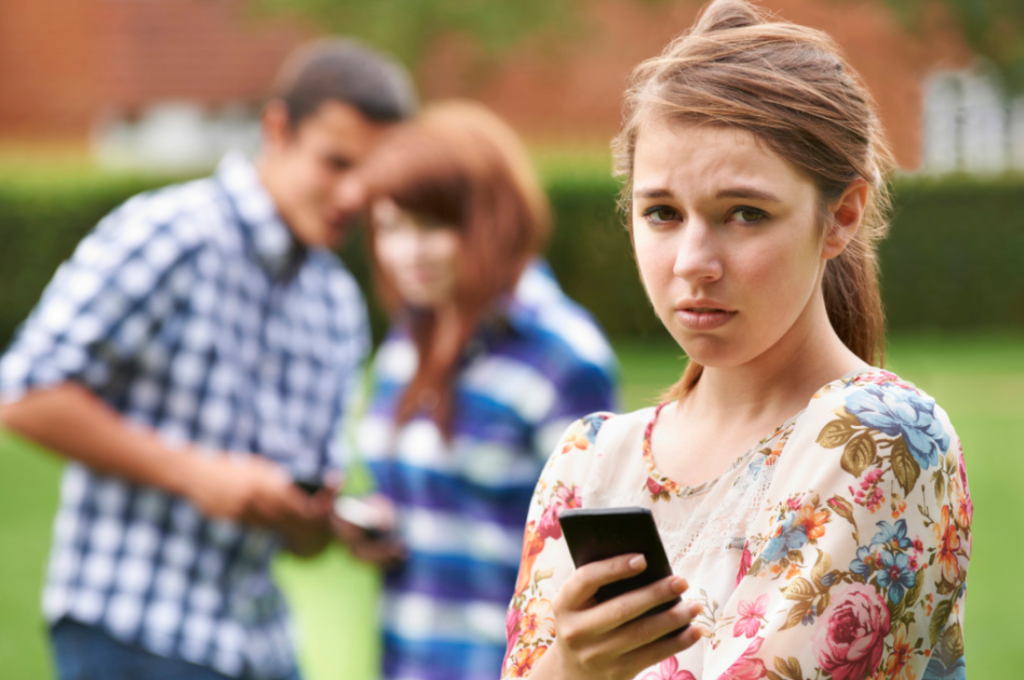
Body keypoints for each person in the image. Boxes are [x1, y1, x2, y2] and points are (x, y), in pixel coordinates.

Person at [501, 1, 971, 679]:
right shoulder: (588, 465)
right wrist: (572, 666)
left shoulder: (877, 436)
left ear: (841, 216)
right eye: (661, 212)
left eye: (744, 214)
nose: (694, 260)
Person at [0, 39, 415, 680]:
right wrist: (194, 474)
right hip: (131, 627)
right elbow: (25, 393)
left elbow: (301, 541)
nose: (354, 194)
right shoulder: (171, 234)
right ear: (275, 129)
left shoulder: (335, 303)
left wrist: (318, 519)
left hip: (261, 649)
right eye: (336, 162)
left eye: (373, 173)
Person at [334, 101, 619, 680]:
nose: (408, 252)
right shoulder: (409, 339)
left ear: (492, 217)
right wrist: (377, 523)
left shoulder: (562, 356)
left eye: (432, 226)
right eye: (391, 228)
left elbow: (601, 554)